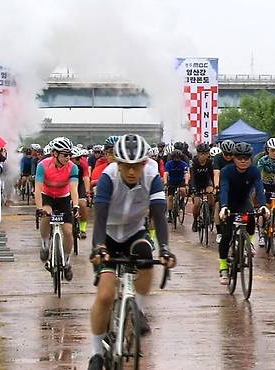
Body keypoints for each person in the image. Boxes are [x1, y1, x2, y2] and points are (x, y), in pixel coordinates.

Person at [87, 134, 176, 370]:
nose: (131, 172)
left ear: (144, 163)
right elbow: (100, 216)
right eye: (126, 166)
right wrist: (98, 246)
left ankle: (138, 309)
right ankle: (96, 352)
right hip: (107, 235)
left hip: (135, 232)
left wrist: (165, 248)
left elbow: (159, 214)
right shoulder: (107, 177)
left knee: (147, 255)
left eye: (136, 166)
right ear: (117, 163)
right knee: (105, 295)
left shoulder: (152, 177)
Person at [217, 142, 270, 284]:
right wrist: (223, 206)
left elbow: (259, 188)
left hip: (243, 202)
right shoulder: (227, 171)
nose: (243, 161)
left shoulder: (254, 171)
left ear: (250, 159)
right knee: (227, 235)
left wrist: (263, 206)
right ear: (234, 158)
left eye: (246, 158)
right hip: (228, 203)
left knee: (252, 217)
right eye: (239, 158)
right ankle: (223, 268)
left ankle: (249, 243)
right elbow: (224, 188)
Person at [35, 137, 80, 281]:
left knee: (67, 231)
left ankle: (66, 262)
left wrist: (76, 205)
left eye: (69, 155)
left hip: (63, 197)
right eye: (65, 154)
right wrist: (38, 208)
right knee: (46, 215)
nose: (68, 158)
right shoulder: (43, 165)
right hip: (47, 195)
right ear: (55, 154)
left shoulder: (72, 167)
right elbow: (38, 188)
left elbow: (73, 188)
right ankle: (44, 244)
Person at [212, 140, 235, 243]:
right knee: (217, 205)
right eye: (226, 154)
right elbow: (216, 173)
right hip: (221, 182)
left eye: (231, 154)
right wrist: (216, 187)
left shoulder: (236, 157)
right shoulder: (218, 158)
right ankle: (219, 232)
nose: (229, 157)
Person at [189, 143, 215, 232]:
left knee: (211, 197)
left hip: (206, 182)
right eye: (201, 154)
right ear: (198, 154)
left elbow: (212, 175)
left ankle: (210, 215)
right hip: (195, 183)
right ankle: (195, 220)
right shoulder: (194, 162)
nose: (203, 156)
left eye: (206, 154)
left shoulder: (210, 162)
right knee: (197, 203)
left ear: (208, 154)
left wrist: (213, 186)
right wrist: (193, 188)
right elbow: (192, 176)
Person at [164, 149, 190, 223]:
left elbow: (186, 174)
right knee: (170, 197)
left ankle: (181, 201)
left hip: (181, 180)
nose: (176, 160)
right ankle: (169, 214)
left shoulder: (183, 164)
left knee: (183, 190)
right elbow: (166, 174)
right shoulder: (169, 164)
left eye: (178, 158)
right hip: (172, 181)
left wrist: (186, 183)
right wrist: (165, 183)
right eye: (175, 158)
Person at [71, 147, 91, 237]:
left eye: (81, 157)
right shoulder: (65, 164)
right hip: (67, 184)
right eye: (77, 158)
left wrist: (87, 192)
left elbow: (86, 177)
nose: (80, 160)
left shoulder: (83, 163)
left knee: (82, 204)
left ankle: (83, 228)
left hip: (79, 184)